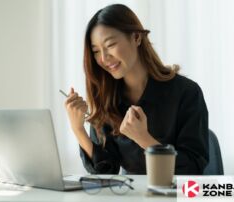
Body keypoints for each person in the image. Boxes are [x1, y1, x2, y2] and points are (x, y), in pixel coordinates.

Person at [64, 4, 209, 175]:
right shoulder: (106, 99)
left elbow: (192, 168)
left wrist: (144, 139)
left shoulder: (186, 93)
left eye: (110, 45)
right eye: (96, 51)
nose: (103, 58)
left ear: (136, 37)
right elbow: (106, 171)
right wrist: (78, 130)